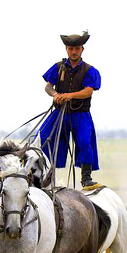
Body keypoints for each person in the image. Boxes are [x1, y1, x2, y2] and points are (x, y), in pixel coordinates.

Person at [38, 30, 102, 189]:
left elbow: (88, 91)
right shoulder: (58, 67)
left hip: (81, 115)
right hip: (60, 114)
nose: (74, 52)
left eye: (77, 49)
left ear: (82, 50)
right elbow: (48, 86)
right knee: (43, 137)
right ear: (66, 49)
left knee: (85, 142)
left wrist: (69, 95)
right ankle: (44, 174)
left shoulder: (90, 70)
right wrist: (55, 94)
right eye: (71, 49)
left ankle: (86, 178)